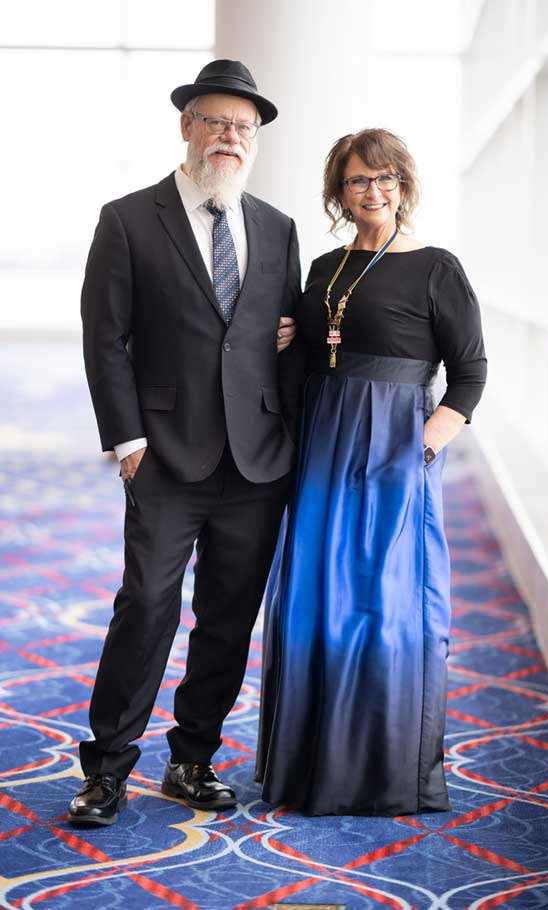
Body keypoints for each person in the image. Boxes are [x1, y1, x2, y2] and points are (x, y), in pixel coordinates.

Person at [70, 59, 302, 826]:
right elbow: (105, 338)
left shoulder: (277, 227)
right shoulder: (129, 218)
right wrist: (126, 441)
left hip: (256, 458)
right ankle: (106, 768)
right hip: (164, 453)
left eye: (244, 127)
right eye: (217, 122)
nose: (230, 137)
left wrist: (297, 342)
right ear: (187, 127)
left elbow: (277, 334)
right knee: (146, 604)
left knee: (230, 616)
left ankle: (192, 758)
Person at [256, 128, 487, 816]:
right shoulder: (324, 268)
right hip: (326, 442)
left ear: (404, 186)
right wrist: (286, 339)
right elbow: (305, 360)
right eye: (358, 181)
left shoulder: (436, 266)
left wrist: (423, 447)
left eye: (385, 179)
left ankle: (383, 770)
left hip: (395, 445)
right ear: (340, 192)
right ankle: (308, 768)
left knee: (386, 599)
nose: (373, 191)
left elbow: (470, 372)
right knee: (316, 594)